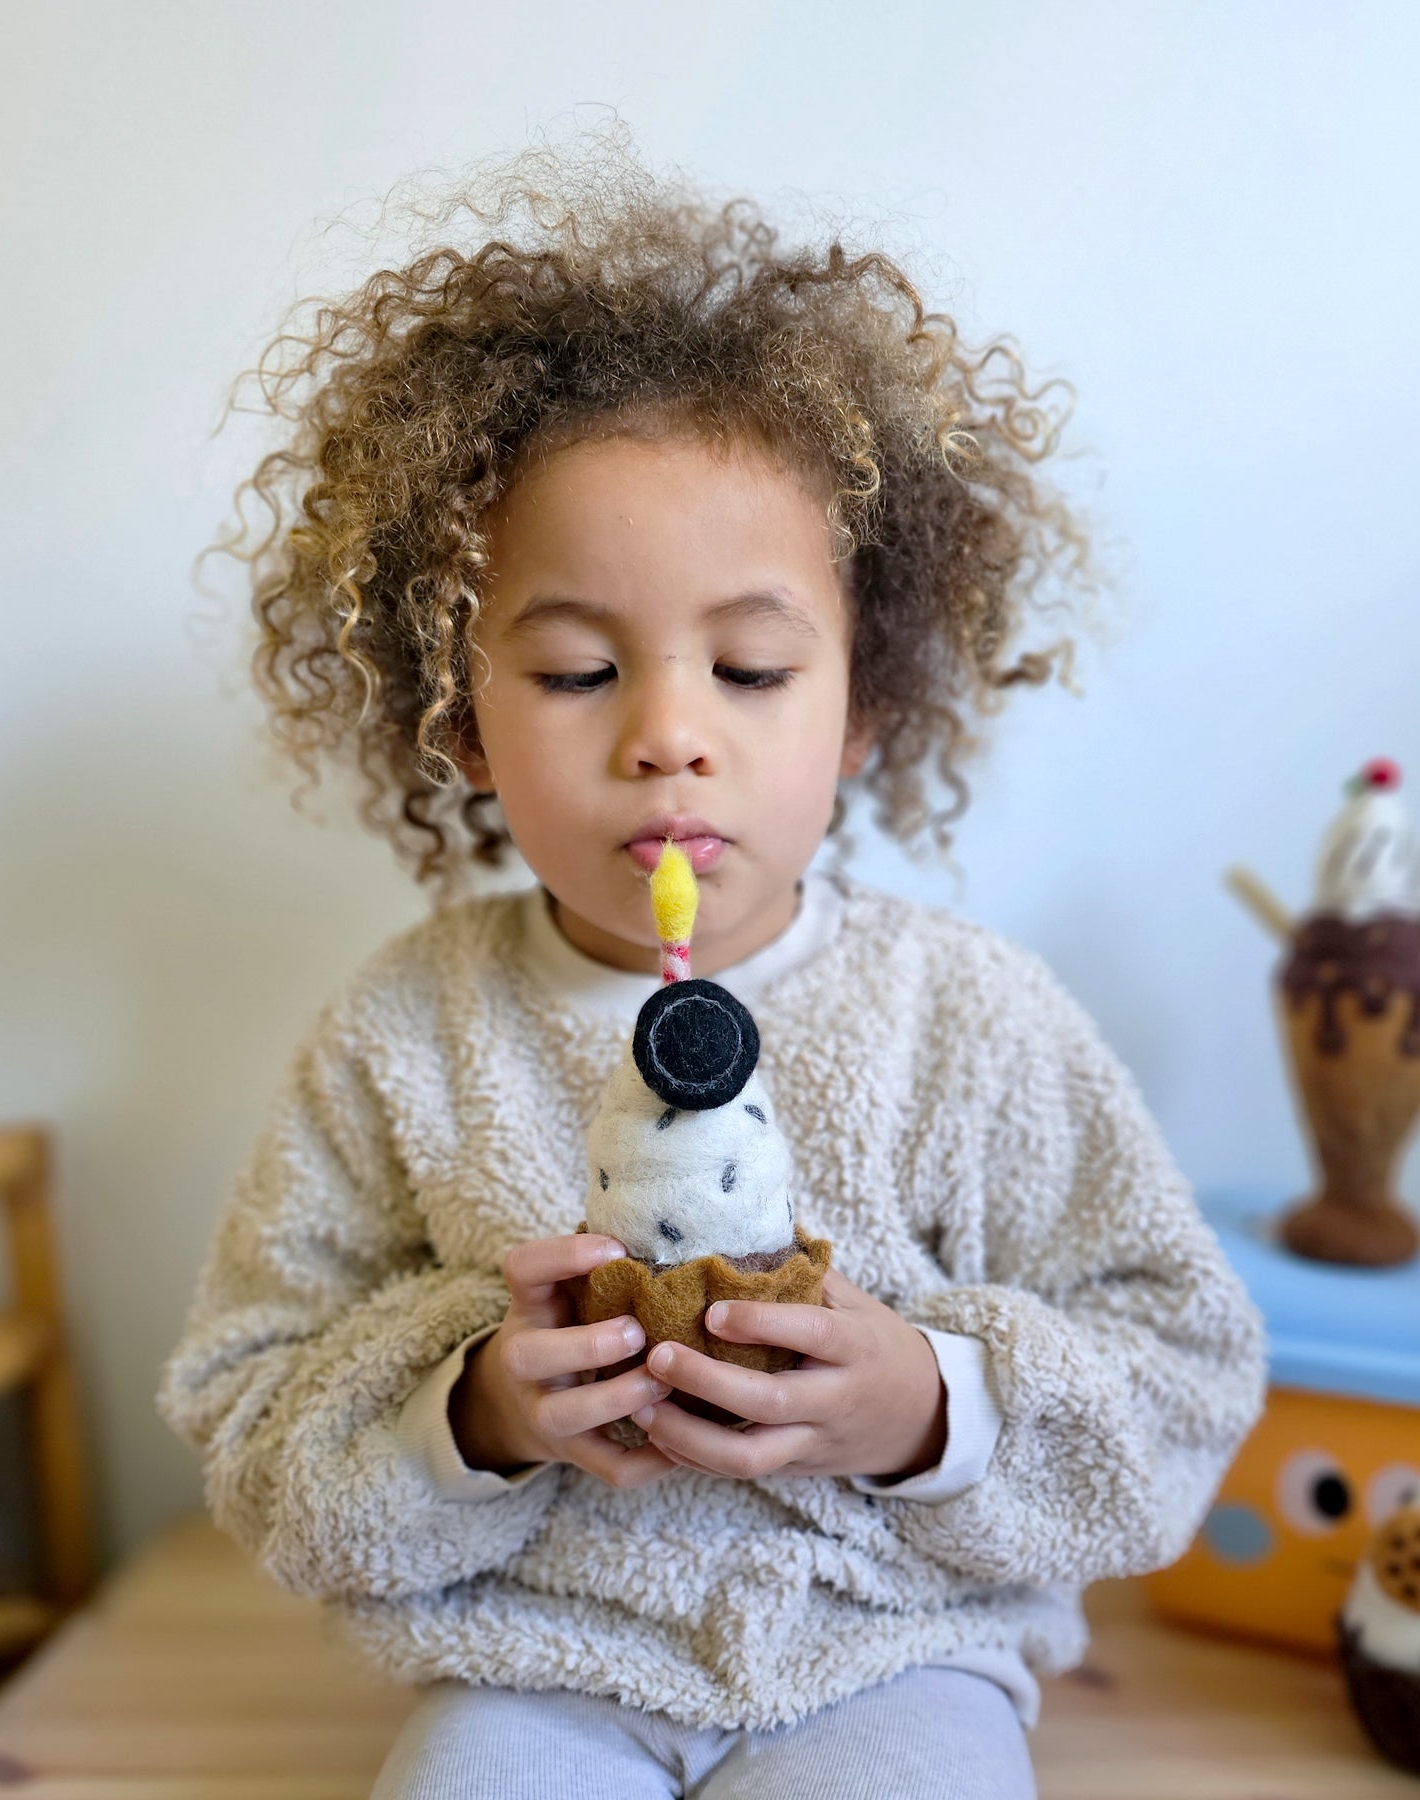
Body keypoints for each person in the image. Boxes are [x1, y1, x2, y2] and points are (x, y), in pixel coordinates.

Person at [156, 126, 1267, 1800]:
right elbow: (247, 1400)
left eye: (749, 668)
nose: (671, 738)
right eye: (580, 669)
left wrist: (928, 1403)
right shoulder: (407, 1032)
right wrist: (466, 1411)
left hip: (893, 1655)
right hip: (533, 1667)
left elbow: (1185, 1366)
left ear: (863, 705)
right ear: (459, 720)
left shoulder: (966, 1020)